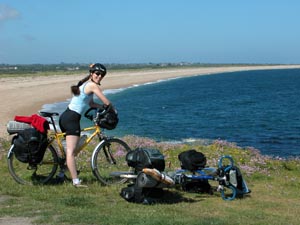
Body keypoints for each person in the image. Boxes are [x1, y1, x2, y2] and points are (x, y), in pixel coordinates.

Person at [59, 63, 111, 187]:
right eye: (97, 74)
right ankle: (76, 182)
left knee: (73, 150)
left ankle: (61, 173)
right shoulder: (92, 85)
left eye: (102, 75)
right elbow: (107, 102)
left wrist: (100, 107)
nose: (99, 76)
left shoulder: (86, 85)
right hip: (71, 119)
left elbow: (91, 103)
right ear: (92, 74)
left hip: (66, 117)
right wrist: (112, 109)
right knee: (71, 152)